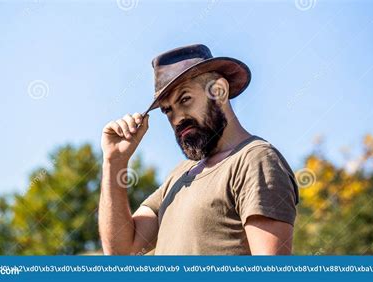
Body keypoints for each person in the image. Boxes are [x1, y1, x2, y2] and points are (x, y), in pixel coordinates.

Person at [99, 44, 299, 255]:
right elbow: (120, 254)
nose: (177, 119)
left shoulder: (255, 160)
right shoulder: (178, 176)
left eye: (185, 99)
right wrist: (114, 161)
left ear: (219, 91)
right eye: (168, 110)